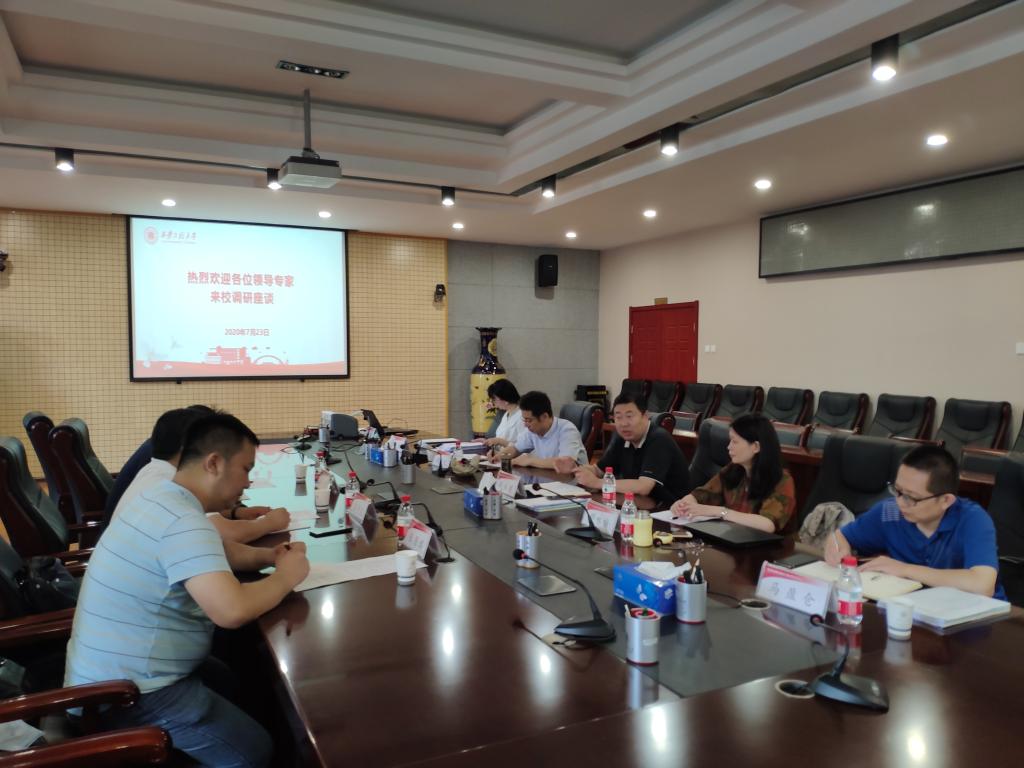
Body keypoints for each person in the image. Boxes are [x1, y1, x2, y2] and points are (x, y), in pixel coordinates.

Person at [65, 412, 310, 768]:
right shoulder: (181, 521)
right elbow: (232, 610)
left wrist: (269, 556)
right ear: (214, 463)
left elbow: (218, 552)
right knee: (255, 751)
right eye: (246, 469)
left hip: (115, 675)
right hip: (124, 696)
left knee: (236, 677)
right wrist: (286, 577)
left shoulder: (162, 496)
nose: (248, 482)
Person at [826, 445, 1003, 598]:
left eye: (911, 497)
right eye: (898, 491)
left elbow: (982, 585)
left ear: (945, 500)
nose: (900, 502)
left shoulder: (972, 519)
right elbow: (840, 536)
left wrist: (906, 569)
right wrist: (837, 548)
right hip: (914, 608)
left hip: (976, 616)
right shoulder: (890, 512)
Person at [110, 407, 290, 543]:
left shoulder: (156, 471)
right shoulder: (170, 487)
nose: (247, 483)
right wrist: (269, 523)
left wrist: (236, 512)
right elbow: (225, 534)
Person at [670, 413, 795, 533]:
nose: (729, 447)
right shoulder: (734, 468)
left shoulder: (781, 479)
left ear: (756, 447)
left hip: (769, 545)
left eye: (735, 442)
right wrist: (684, 504)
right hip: (732, 537)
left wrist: (721, 512)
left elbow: (768, 524)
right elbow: (702, 494)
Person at [559, 392, 690, 505]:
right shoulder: (622, 437)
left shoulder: (659, 439)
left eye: (629, 416)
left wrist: (597, 483)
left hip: (671, 508)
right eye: (618, 417)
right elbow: (599, 470)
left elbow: (644, 487)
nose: (623, 423)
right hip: (636, 503)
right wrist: (574, 468)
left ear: (645, 416)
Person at [500, 390, 587, 469]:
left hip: (570, 480)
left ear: (544, 416)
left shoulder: (567, 430)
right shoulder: (532, 430)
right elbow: (516, 448)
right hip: (546, 477)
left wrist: (530, 460)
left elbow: (566, 463)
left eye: (529, 420)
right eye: (524, 419)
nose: (525, 425)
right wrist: (500, 456)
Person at [483, 379, 525, 451]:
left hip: (514, 456)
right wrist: (487, 441)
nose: (493, 403)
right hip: (501, 454)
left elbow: (524, 447)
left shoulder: (522, 416)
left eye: (494, 399)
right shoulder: (506, 414)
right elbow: (500, 438)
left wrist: (500, 442)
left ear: (505, 400)